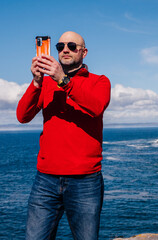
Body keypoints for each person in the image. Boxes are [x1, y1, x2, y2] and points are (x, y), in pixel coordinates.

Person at [16, 31, 111, 240]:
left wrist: (63, 80)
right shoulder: (46, 83)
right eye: (60, 46)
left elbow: (95, 107)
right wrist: (36, 83)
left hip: (85, 181)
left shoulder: (100, 81)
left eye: (71, 46)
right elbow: (22, 116)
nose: (65, 49)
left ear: (84, 52)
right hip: (45, 180)